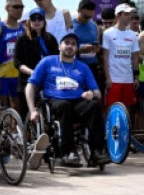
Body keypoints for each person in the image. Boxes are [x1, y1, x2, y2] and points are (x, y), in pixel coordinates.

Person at [26, 31, 107, 166]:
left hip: (77, 102)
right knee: (64, 105)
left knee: (94, 106)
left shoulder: (83, 67)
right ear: (59, 46)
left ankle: (97, 151)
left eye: (73, 44)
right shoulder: (47, 62)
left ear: (76, 48)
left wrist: (91, 94)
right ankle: (68, 152)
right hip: (54, 101)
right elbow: (30, 86)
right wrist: (32, 110)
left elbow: (97, 93)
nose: (70, 46)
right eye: (67, 43)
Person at [13, 6, 59, 116]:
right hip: (27, 80)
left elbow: (57, 59)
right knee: (26, 114)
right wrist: (33, 72)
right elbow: (17, 62)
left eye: (40, 18)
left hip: (48, 80)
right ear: (29, 21)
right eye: (33, 18)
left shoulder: (51, 39)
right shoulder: (22, 39)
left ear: (44, 21)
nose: (37, 21)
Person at [0, 0, 26, 110]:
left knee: (17, 107)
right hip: (2, 75)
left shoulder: (24, 29)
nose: (19, 10)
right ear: (7, 8)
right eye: (16, 7)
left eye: (21, 7)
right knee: (2, 107)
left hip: (18, 75)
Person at [102, 3, 141, 111]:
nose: (129, 17)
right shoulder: (108, 33)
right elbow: (105, 56)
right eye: (126, 14)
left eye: (130, 14)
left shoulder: (133, 35)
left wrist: (136, 78)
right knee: (111, 108)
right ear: (118, 15)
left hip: (128, 78)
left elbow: (135, 57)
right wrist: (108, 78)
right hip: (114, 79)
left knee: (126, 109)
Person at [71, 0, 104, 90]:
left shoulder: (93, 25)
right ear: (78, 11)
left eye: (90, 17)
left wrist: (97, 49)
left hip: (92, 66)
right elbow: (63, 48)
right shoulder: (70, 25)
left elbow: (96, 42)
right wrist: (80, 50)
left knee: (94, 94)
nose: (88, 19)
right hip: (75, 66)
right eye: (85, 16)